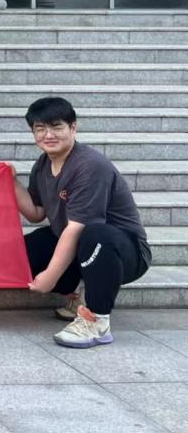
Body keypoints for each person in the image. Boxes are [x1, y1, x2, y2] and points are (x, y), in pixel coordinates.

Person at [16, 96, 152, 349]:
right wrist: (10, 182)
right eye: (40, 128)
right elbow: (36, 213)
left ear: (73, 128)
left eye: (56, 127)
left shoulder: (90, 165)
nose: (48, 135)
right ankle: (76, 297)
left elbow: (77, 227)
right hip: (81, 245)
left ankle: (97, 321)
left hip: (124, 251)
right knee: (26, 250)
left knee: (94, 234)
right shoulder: (43, 164)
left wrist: (50, 276)